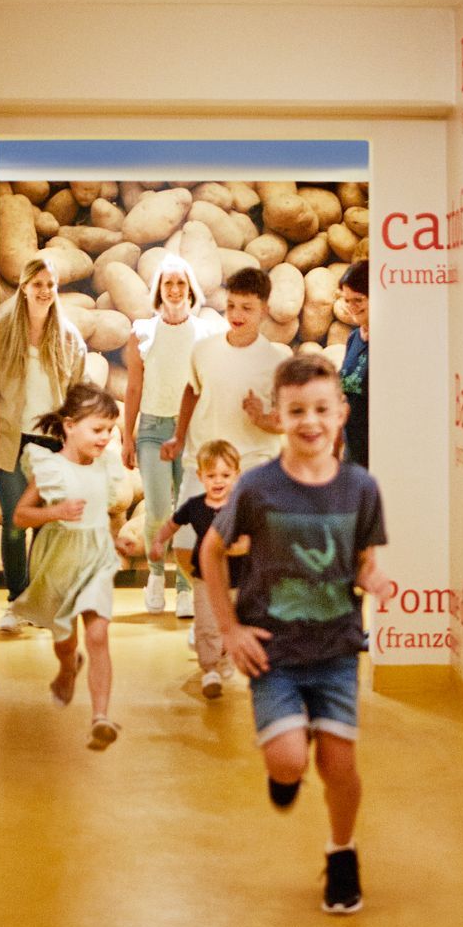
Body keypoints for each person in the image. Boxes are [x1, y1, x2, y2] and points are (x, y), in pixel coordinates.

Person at [202, 354, 390, 914]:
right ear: (277, 417)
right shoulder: (258, 488)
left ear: (341, 413)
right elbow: (213, 551)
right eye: (297, 410)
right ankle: (287, 757)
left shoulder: (360, 488)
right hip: (273, 651)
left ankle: (342, 853)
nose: (310, 421)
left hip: (335, 649)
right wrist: (230, 627)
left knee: (339, 765)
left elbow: (362, 559)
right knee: (287, 762)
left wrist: (372, 577)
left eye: (321, 409)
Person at [9, 383, 125, 750]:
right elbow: (20, 517)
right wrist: (54, 512)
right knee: (66, 640)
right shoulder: (50, 468)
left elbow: (103, 513)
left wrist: (118, 540)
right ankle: (66, 665)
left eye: (109, 430)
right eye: (97, 429)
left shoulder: (107, 466)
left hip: (96, 559)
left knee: (98, 635)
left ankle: (101, 717)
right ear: (70, 425)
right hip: (59, 561)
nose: (105, 437)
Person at [0, 256, 87, 632]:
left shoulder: (68, 338)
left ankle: (42, 604)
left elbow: (78, 394)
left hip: (51, 444)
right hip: (11, 440)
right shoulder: (1, 331)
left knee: (47, 528)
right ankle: (16, 602)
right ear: (24, 287)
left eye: (50, 285)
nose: (44, 291)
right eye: (38, 284)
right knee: (16, 523)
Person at [123, 257, 217, 619]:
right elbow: (133, 387)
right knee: (159, 510)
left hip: (192, 431)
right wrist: (128, 437)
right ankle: (156, 577)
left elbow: (209, 386)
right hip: (151, 430)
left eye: (181, 284)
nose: (175, 290)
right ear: (158, 291)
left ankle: (185, 589)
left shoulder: (207, 333)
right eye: (168, 284)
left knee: (187, 511)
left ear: (190, 289)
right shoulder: (142, 331)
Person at [176, 266, 290, 487]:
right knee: (190, 521)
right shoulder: (203, 349)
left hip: (253, 468)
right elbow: (192, 392)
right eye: (231, 306)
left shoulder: (277, 363)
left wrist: (261, 418)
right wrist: (179, 437)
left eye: (247, 308)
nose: (236, 315)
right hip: (203, 462)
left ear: (265, 310)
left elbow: (286, 423)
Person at [150, 440, 246, 699]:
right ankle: (210, 669)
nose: (218, 481)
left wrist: (239, 547)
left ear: (237, 475)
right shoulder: (194, 506)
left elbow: (253, 537)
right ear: (200, 476)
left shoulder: (241, 507)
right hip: (205, 575)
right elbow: (172, 524)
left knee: (231, 622)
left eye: (225, 475)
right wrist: (159, 542)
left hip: (237, 578)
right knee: (205, 622)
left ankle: (225, 655)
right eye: (211, 475)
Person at [336, 260, 370, 466]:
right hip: (353, 450)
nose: (351, 307)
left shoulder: (391, 344)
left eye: (358, 300)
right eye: (346, 300)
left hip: (379, 450)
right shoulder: (354, 338)